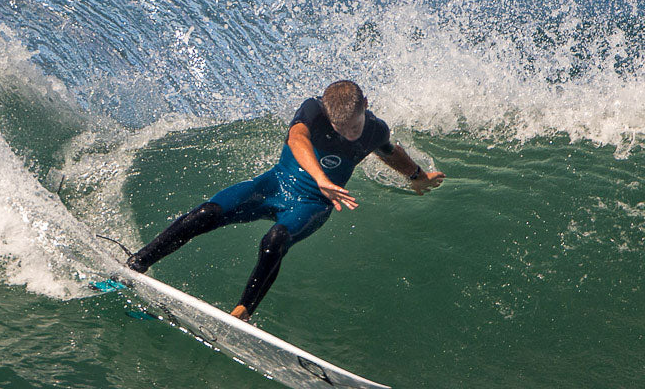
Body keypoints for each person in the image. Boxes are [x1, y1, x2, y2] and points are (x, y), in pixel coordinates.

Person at [126, 79, 446, 321]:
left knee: (275, 239)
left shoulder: (375, 129)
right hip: (274, 184)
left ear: (366, 102)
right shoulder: (313, 112)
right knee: (207, 213)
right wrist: (321, 178)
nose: (350, 134)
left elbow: (389, 152)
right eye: (341, 128)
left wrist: (418, 176)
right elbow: (297, 139)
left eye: (354, 127)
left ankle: (241, 313)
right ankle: (138, 263)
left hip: (312, 205)